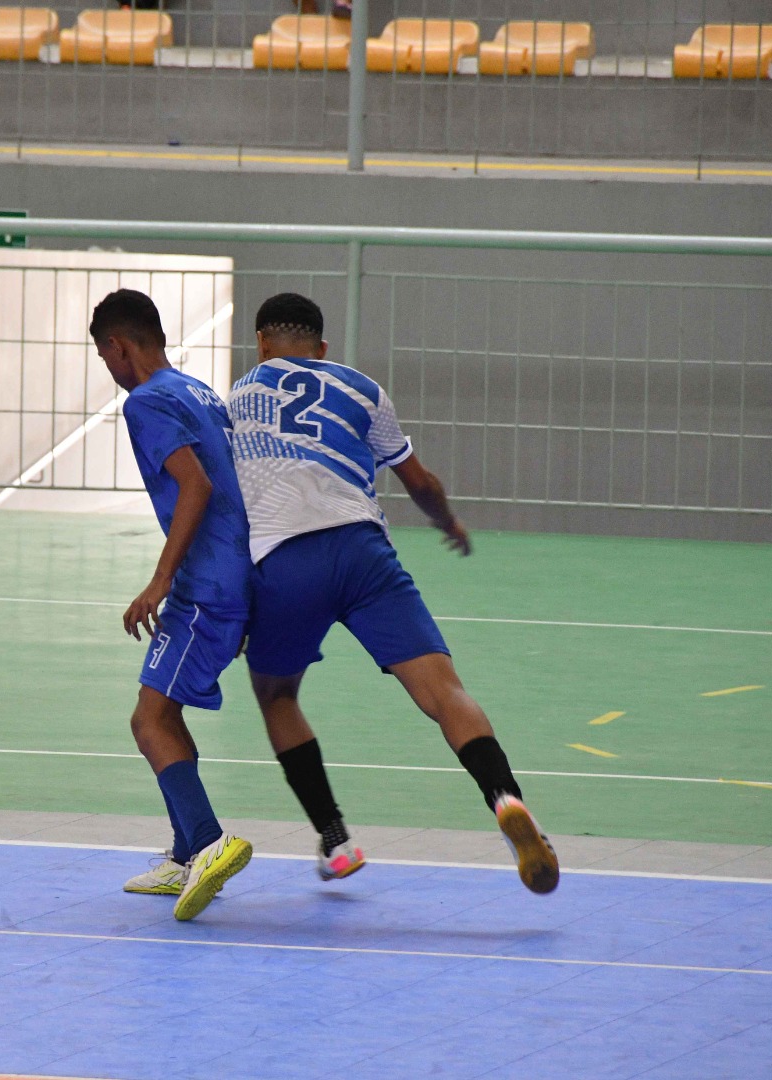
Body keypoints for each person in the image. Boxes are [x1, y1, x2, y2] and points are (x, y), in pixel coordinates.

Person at [227, 292, 559, 894]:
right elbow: (419, 481)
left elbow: (228, 500)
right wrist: (448, 522)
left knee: (277, 695)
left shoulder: (240, 396)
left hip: (284, 559)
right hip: (362, 551)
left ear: (261, 342)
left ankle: (336, 840)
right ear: (322, 349)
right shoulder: (363, 389)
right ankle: (508, 799)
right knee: (444, 691)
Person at [89, 288, 254, 921]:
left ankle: (210, 842)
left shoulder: (147, 401)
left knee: (149, 720)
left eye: (104, 353)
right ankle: (187, 852)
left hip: (207, 584)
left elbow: (197, 483)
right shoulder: (197, 390)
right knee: (164, 708)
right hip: (236, 571)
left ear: (120, 347)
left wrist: (160, 581)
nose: (107, 365)